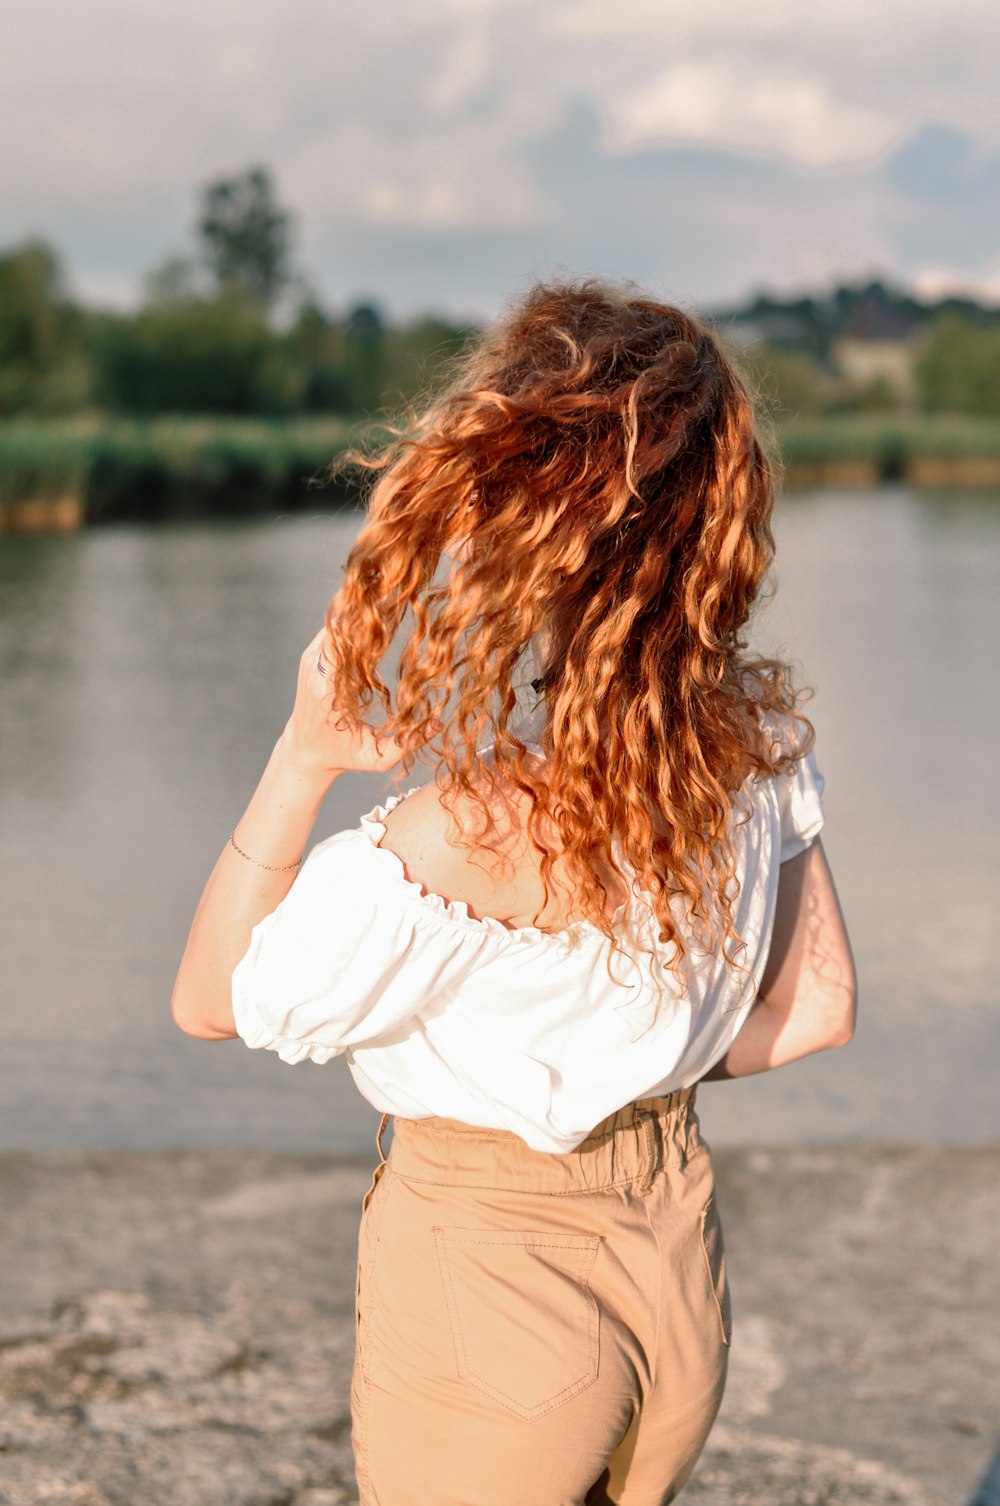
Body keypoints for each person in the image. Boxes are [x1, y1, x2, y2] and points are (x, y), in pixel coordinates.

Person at [171, 279, 857, 1506]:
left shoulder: (461, 835)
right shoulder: (754, 747)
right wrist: (629, 1050)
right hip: (678, 1273)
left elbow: (212, 1002)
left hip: (495, 1277)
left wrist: (302, 759)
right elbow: (815, 1013)